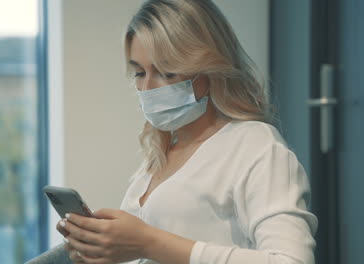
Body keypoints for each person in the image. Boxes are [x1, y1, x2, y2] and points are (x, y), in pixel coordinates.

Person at [56, 0, 318, 263]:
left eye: (167, 73)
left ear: (210, 69)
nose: (148, 88)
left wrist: (149, 242)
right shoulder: (157, 157)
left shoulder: (256, 146)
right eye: (139, 73)